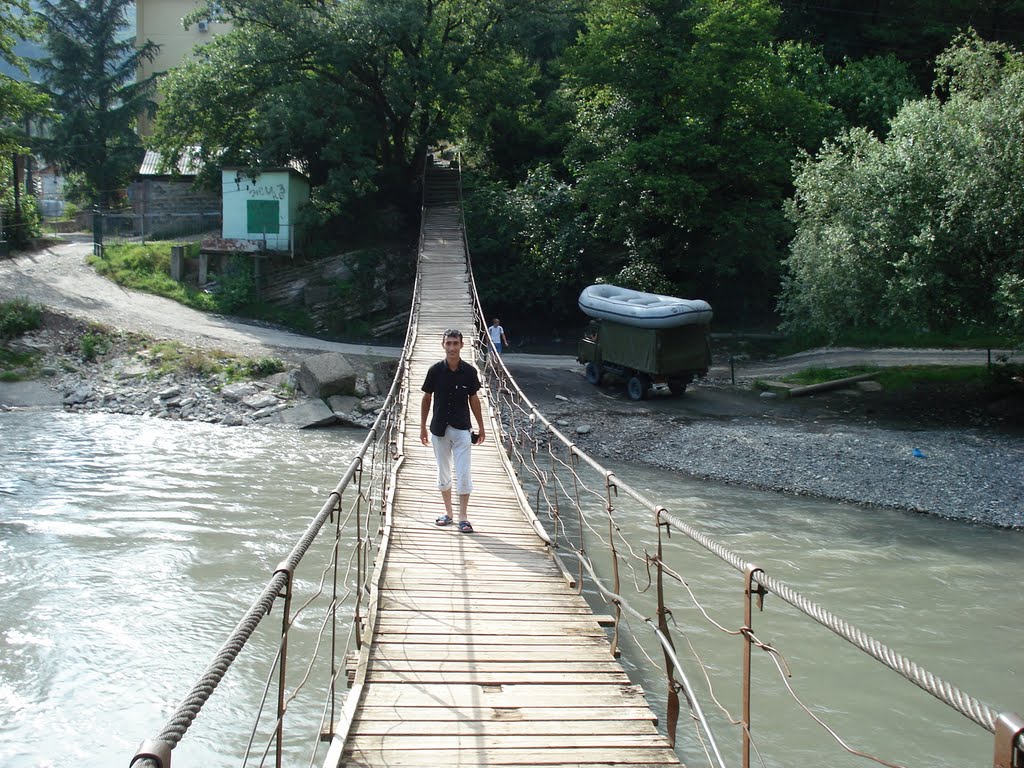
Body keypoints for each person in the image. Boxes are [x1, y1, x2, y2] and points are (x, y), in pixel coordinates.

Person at [420, 328, 486, 533]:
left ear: (462, 346)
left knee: (464, 472)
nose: (451, 347)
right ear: (443, 345)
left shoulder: (469, 372)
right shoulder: (434, 371)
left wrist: (481, 427)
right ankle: (448, 513)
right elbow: (426, 398)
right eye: (448, 343)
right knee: (443, 471)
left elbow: (474, 399)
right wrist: (422, 426)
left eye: (455, 343)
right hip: (439, 428)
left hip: (462, 429)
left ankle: (463, 517)